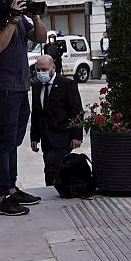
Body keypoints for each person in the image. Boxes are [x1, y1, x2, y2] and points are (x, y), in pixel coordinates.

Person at [0, 0, 47, 215]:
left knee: (12, 142)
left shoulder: (16, 17)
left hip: (19, 87)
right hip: (0, 89)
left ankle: (12, 188)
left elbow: (40, 37)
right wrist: (14, 19)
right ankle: (2, 197)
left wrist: (34, 15)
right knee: (2, 142)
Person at [30, 55, 84, 186]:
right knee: (50, 164)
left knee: (52, 163)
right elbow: (36, 113)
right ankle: (59, 187)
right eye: (38, 70)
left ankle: (53, 188)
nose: (41, 73)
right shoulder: (37, 86)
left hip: (63, 135)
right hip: (46, 136)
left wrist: (77, 136)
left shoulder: (67, 85)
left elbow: (77, 111)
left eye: (44, 69)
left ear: (53, 68)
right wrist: (34, 137)